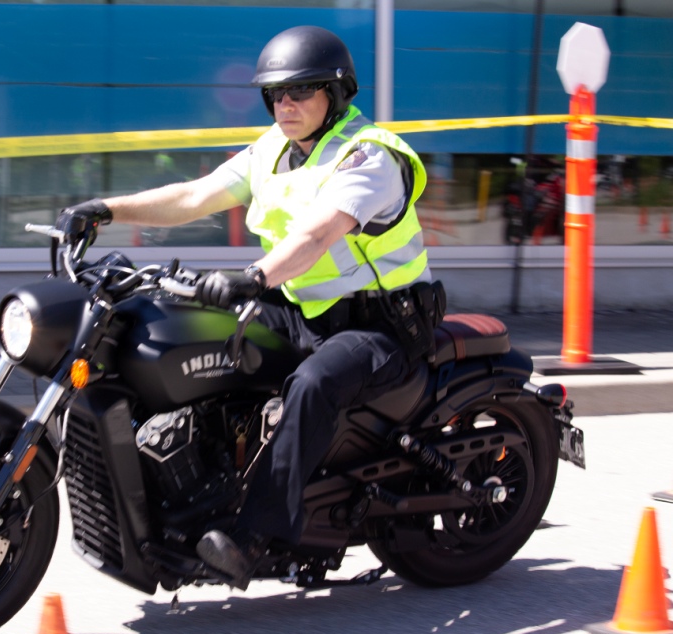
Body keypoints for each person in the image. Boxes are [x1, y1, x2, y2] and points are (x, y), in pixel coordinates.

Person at [55, 25, 438, 590]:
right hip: (300, 311)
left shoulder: (370, 157)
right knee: (182, 329)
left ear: (336, 92)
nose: (286, 103)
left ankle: (256, 537)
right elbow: (193, 196)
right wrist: (104, 210)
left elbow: (317, 233)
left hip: (382, 325)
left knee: (312, 386)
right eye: (276, 93)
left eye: (301, 91)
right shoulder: (271, 150)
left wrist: (253, 277)